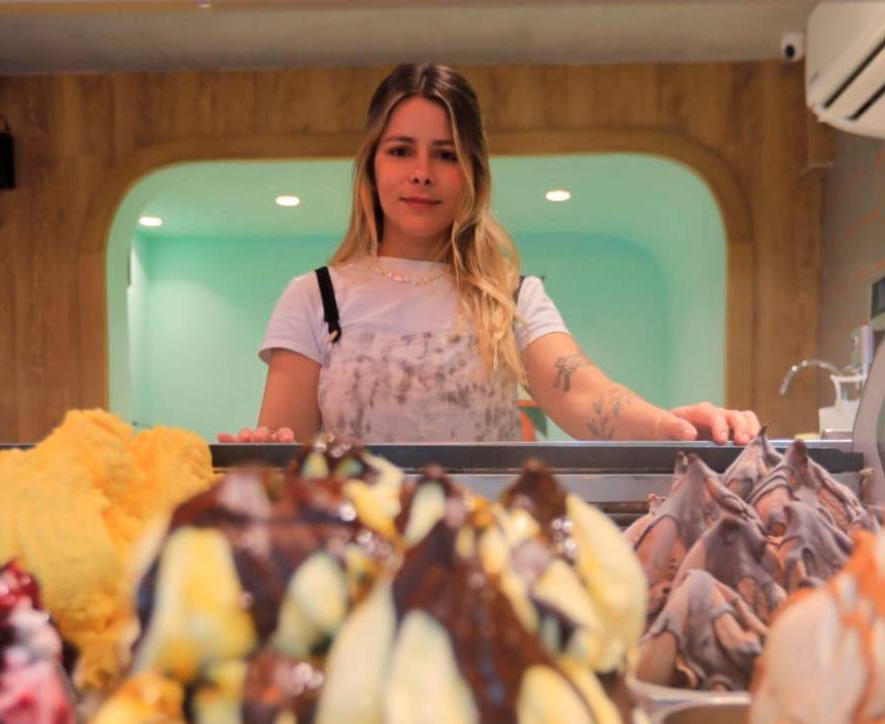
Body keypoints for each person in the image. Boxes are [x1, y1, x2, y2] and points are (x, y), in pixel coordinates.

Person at [218, 64, 760, 446]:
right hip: (356, 561)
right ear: (372, 166)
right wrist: (260, 453)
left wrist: (669, 426)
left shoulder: (514, 296)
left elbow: (582, 395)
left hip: (486, 558)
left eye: (446, 154)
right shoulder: (314, 298)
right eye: (401, 150)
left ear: (473, 173)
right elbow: (283, 454)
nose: (421, 173)